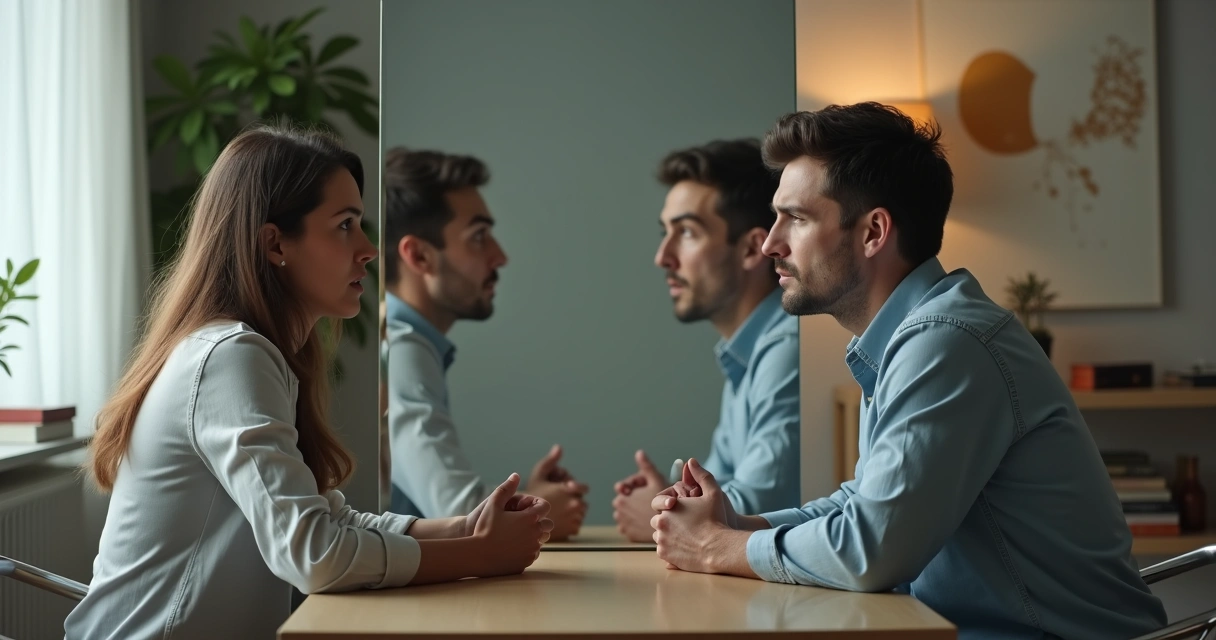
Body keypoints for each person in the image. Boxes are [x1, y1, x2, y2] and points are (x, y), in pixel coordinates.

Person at [648, 103, 1167, 640]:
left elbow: (874, 548)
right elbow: (862, 504)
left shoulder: (947, 342)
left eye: (796, 219)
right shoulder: (911, 337)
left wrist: (719, 547)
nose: (773, 244)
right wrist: (740, 525)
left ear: (874, 232)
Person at [66, 126, 553, 640]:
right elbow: (314, 555)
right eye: (345, 225)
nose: (368, 249)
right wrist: (477, 554)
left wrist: (465, 527)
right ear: (275, 243)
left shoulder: (252, 354)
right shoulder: (231, 358)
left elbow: (325, 521)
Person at [382, 146, 588, 540]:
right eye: (478, 237)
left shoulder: (397, 339)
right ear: (420, 256)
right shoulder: (402, 348)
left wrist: (524, 500)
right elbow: (465, 520)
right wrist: (538, 512)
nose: (500, 256)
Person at [611, 139, 800, 543]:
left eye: (687, 233)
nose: (663, 256)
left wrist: (658, 510)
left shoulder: (788, 349)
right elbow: (717, 488)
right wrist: (675, 498)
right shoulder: (745, 353)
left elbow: (762, 501)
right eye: (665, 233)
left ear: (752, 248)